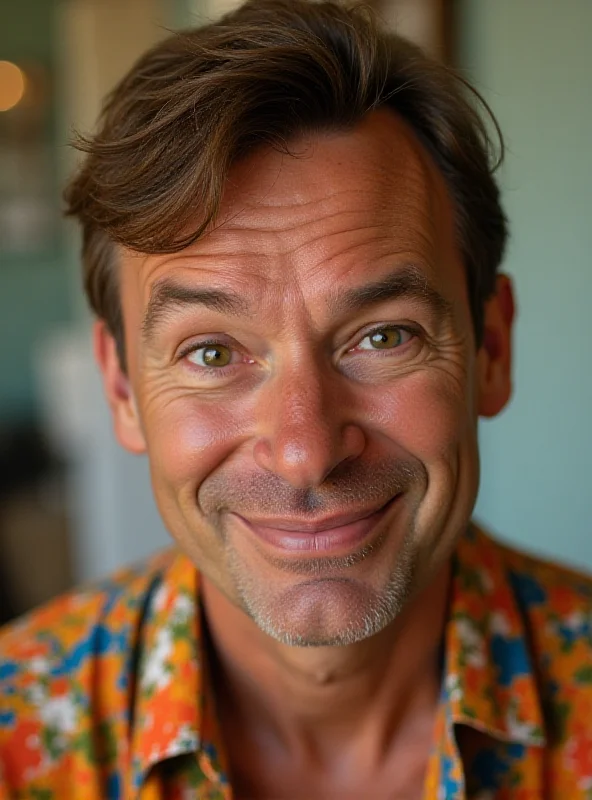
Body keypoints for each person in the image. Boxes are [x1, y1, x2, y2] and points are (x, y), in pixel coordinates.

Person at [1, 0, 591, 797]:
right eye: (212, 352)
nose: (306, 451)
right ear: (122, 389)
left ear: (492, 349)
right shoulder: (17, 728)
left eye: (383, 337)